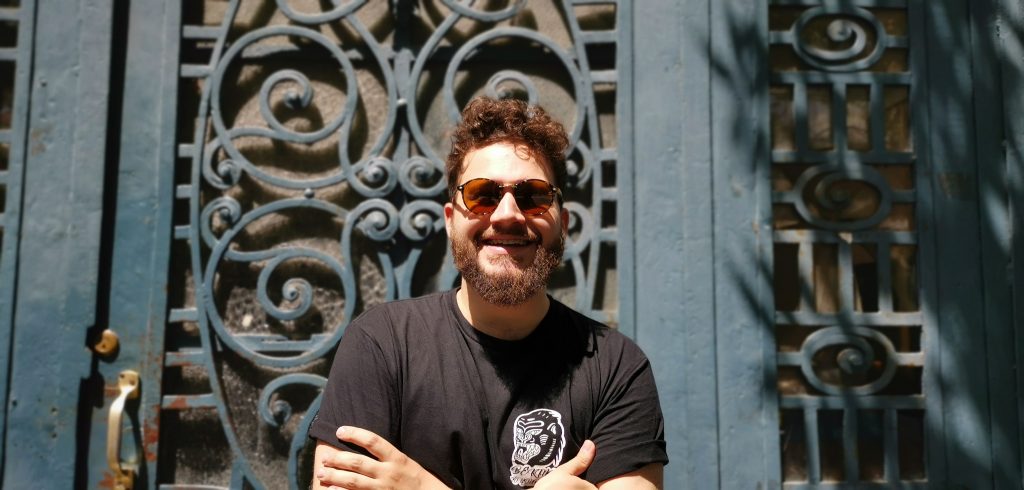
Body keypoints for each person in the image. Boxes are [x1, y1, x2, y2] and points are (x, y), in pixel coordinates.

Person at [308, 96, 668, 489]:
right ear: (451, 220)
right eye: (482, 194)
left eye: (533, 196)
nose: (507, 214)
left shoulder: (616, 366)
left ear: (562, 223)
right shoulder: (382, 344)